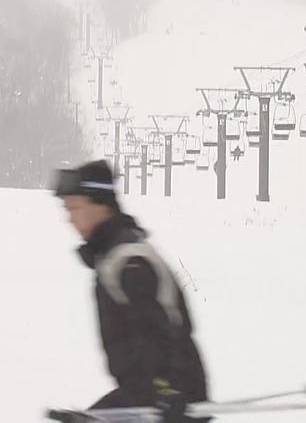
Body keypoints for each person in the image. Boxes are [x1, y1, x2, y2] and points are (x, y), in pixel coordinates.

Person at [54, 160, 209, 418]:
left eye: (75, 207)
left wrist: (168, 392)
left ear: (100, 205)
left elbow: (165, 330)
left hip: (172, 401)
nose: (69, 219)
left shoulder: (129, 261)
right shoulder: (112, 257)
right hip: (147, 395)